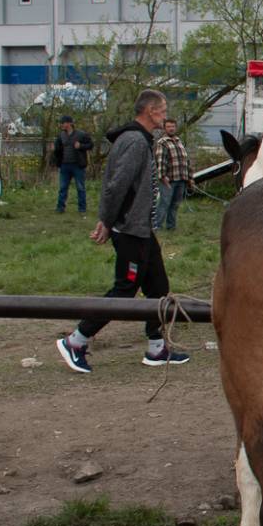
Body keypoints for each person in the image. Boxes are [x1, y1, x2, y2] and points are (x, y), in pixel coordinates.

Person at [56, 89, 190, 374]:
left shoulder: (141, 139)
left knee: (158, 287)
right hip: (130, 229)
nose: (166, 115)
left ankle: (156, 347)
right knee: (125, 289)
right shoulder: (134, 141)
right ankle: (76, 341)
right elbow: (116, 185)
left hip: (142, 229)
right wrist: (106, 221)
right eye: (163, 110)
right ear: (151, 111)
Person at [152, 117, 192, 231]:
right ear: (164, 128)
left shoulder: (179, 141)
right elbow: (161, 160)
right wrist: (162, 176)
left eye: (173, 126)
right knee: (164, 203)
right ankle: (156, 226)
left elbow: (186, 160)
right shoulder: (162, 142)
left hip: (181, 178)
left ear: (176, 127)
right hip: (169, 179)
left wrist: (190, 177)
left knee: (175, 204)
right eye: (168, 127)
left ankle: (171, 227)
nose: (171, 129)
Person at [52, 114, 93, 214]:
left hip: (77, 165)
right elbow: (58, 149)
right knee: (63, 188)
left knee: (80, 187)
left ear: (70, 123)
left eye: (63, 123)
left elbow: (91, 145)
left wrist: (81, 146)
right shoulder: (61, 135)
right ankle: (60, 208)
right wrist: (55, 149)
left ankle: (82, 209)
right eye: (61, 123)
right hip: (64, 165)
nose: (61, 125)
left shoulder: (81, 134)